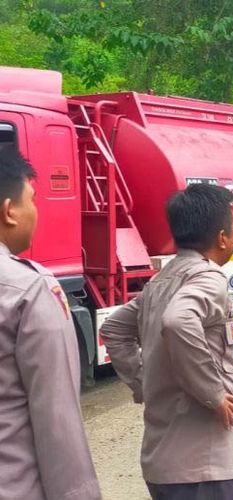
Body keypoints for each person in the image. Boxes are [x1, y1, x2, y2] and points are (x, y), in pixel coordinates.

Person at [101, 183, 233, 500]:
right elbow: (179, 321)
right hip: (201, 469)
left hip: (163, 465)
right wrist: (213, 393)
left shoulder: (160, 282)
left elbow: (113, 329)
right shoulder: (209, 279)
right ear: (222, 238)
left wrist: (142, 382)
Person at [0, 150, 101, 499]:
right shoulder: (26, 289)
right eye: (32, 200)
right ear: (9, 210)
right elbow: (57, 419)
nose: (36, 211)